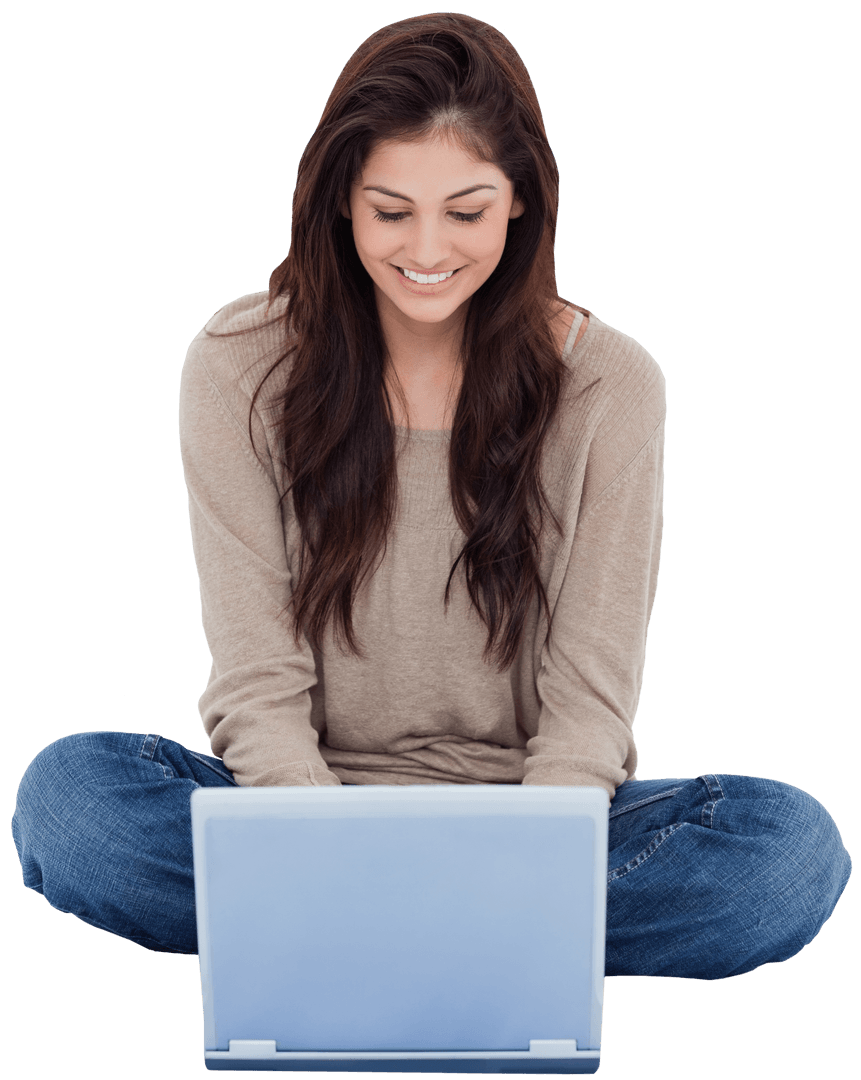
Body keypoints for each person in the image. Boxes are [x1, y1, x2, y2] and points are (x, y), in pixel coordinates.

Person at [10, 12, 850, 977]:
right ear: (339, 204)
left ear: (521, 204)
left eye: (466, 210)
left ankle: (346, 941)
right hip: (296, 810)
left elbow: (587, 708)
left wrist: (527, 863)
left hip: (534, 822)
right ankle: (479, 949)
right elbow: (255, 680)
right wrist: (316, 847)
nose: (427, 249)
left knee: (784, 858)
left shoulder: (612, 386)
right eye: (389, 210)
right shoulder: (238, 364)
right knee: (72, 802)